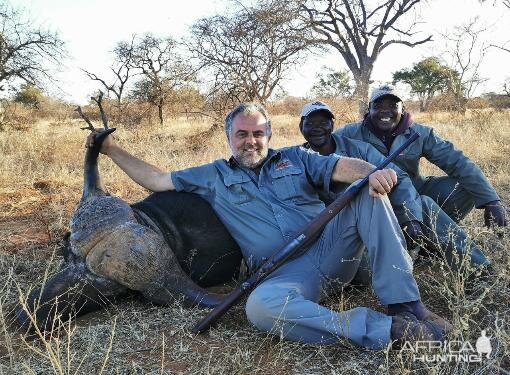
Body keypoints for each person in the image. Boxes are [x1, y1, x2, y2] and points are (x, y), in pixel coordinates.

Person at [86, 102, 451, 350]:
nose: (251, 141)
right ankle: (390, 331)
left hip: (332, 250)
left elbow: (341, 167)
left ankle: (405, 306)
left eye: (258, 133)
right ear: (229, 137)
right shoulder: (212, 175)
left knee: (367, 195)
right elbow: (157, 179)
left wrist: (373, 173)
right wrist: (112, 149)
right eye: (242, 134)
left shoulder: (296, 157)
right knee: (259, 308)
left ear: (269, 135)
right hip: (284, 274)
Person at [299, 100, 494, 271]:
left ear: (332, 125)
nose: (318, 128)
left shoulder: (359, 148)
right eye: (311, 123)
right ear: (301, 126)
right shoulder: (292, 159)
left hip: (383, 215)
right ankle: (401, 252)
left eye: (323, 123)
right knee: (363, 268)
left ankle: (478, 268)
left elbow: (401, 177)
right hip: (337, 237)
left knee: (423, 204)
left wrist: (410, 217)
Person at [336, 85, 507, 268]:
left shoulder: (421, 133)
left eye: (393, 105)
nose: (385, 111)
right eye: (378, 105)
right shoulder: (349, 133)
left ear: (403, 108)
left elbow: (458, 162)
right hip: (376, 200)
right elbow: (322, 154)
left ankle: (429, 241)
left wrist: (491, 201)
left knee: (464, 186)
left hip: (416, 192)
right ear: (369, 109)